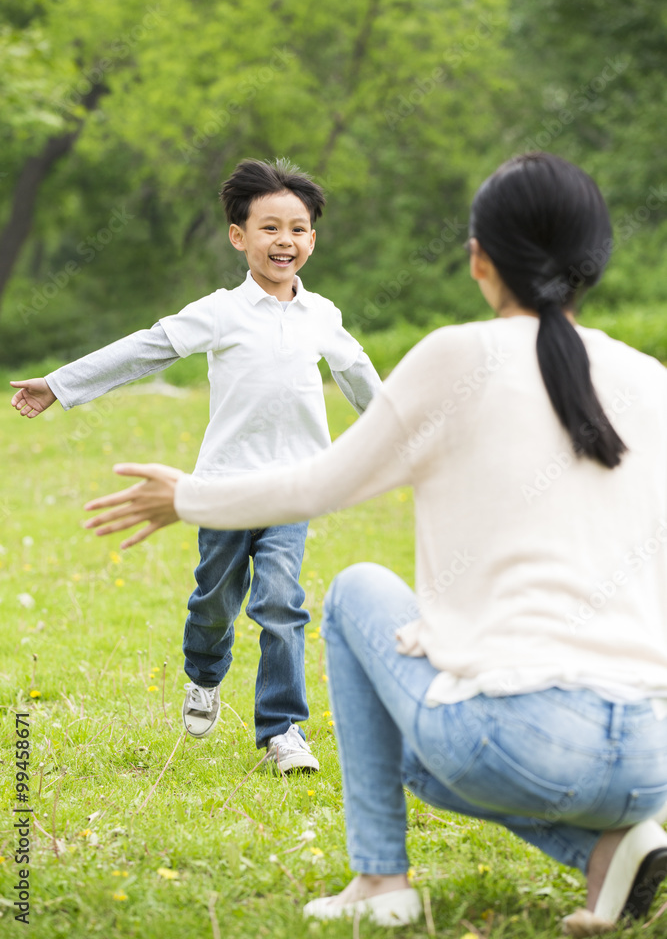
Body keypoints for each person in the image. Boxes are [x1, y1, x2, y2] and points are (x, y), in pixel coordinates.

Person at [83, 153, 667, 936]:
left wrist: (184, 496)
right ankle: (618, 848)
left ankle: (380, 879)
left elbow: (315, 485)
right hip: (651, 757)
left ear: (478, 259)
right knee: (434, 723)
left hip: (520, 745)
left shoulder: (455, 357)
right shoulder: (649, 378)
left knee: (360, 594)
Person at [10, 158, 382, 773]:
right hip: (223, 488)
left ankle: (282, 731)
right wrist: (59, 384)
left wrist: (413, 436)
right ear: (239, 237)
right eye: (269, 228)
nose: (284, 241)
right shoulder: (220, 311)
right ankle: (204, 675)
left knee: (282, 603)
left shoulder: (324, 316)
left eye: (297, 228)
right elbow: (145, 349)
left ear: (312, 238)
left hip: (294, 488)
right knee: (214, 602)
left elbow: (363, 379)